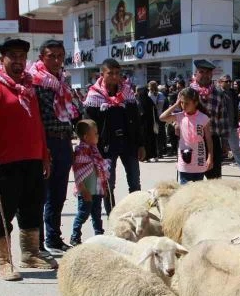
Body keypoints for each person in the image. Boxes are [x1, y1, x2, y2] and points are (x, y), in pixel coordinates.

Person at [0, 37, 54, 281]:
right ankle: (4, 260)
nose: (18, 61)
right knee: (1, 211)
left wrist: (44, 154)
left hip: (31, 158)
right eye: (13, 57)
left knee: (32, 206)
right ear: (2, 59)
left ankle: (30, 253)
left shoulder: (29, 86)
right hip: (5, 161)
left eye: (22, 57)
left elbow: (37, 123)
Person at [28, 39, 76, 254]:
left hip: (63, 140)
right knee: (41, 194)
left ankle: (54, 238)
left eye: (60, 56)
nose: (56, 60)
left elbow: (71, 111)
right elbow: (35, 117)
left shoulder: (63, 81)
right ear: (42, 58)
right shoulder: (34, 81)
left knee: (59, 193)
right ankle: (37, 243)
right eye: (51, 56)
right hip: (45, 142)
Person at [83, 58, 144, 201]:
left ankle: (136, 213)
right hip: (106, 146)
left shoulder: (127, 94)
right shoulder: (94, 97)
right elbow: (89, 126)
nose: (115, 77)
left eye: (118, 73)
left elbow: (136, 121)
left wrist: (141, 144)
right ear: (102, 74)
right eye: (110, 73)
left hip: (129, 144)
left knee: (135, 183)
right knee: (109, 185)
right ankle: (112, 216)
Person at [159, 87, 213, 184]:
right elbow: (162, 117)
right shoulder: (180, 116)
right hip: (184, 160)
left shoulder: (203, 118)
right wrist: (175, 105)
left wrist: (210, 157)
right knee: (184, 192)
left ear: (195, 103)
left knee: (197, 192)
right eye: (182, 103)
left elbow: (208, 139)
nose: (183, 106)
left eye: (187, 103)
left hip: (199, 160)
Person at [70, 119, 110, 246]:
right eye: (95, 133)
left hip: (97, 190)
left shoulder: (95, 151)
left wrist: (104, 187)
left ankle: (99, 235)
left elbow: (100, 170)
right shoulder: (80, 151)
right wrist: (83, 189)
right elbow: (78, 173)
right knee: (83, 214)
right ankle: (75, 236)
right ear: (86, 137)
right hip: (86, 191)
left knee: (97, 215)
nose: (98, 135)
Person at [189, 59, 230, 179]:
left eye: (208, 72)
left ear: (212, 74)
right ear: (196, 73)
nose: (205, 75)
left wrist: (225, 143)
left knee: (215, 181)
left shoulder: (218, 93)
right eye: (202, 72)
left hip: (213, 140)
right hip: (192, 141)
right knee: (193, 183)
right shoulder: (188, 93)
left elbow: (223, 118)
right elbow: (178, 114)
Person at [219, 74, 240, 178]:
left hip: (232, 125)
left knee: (235, 148)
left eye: (230, 81)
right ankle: (214, 170)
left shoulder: (233, 93)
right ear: (220, 82)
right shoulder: (217, 93)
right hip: (220, 126)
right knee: (218, 149)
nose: (229, 83)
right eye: (226, 81)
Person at [148, 81, 168, 160]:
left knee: (154, 136)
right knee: (160, 135)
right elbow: (162, 105)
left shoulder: (149, 95)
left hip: (153, 117)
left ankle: (155, 153)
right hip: (160, 117)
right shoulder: (161, 95)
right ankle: (160, 152)